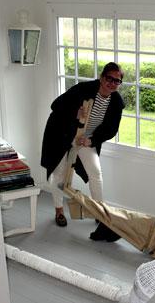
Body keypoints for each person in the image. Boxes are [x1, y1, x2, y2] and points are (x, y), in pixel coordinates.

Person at [41, 62, 125, 227]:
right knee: (60, 173)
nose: (112, 84)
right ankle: (59, 211)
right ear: (102, 78)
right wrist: (74, 112)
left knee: (95, 172)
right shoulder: (83, 89)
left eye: (117, 81)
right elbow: (56, 105)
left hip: (86, 139)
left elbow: (111, 129)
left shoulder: (116, 102)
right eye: (109, 79)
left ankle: (99, 213)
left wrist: (91, 140)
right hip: (64, 135)